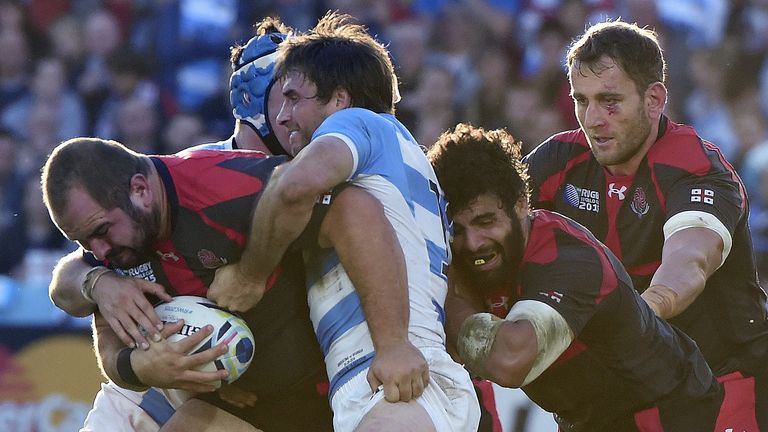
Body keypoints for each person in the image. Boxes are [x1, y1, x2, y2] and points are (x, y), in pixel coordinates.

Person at [46, 18, 407, 432]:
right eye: (283, 98)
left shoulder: (237, 183)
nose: (99, 250)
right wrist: (99, 289)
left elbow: (349, 209)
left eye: (295, 97)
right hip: (223, 397)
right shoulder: (125, 224)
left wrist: (252, 272)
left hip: (320, 389)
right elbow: (67, 285)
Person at [207, 12, 480, 432]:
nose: (282, 116)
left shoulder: (358, 123)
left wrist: (249, 275)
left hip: (392, 380)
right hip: (409, 378)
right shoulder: (403, 161)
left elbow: (293, 187)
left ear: (339, 99)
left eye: (294, 98)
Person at [429, 122, 763, 431]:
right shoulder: (464, 257)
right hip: (588, 419)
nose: (474, 243)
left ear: (520, 203)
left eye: (486, 222)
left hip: (668, 412)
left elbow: (510, 359)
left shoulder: (569, 260)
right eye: (458, 229)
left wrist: (453, 301)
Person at [523, 20, 768, 427]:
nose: (592, 119)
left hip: (722, 381)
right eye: (581, 101)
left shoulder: (692, 164)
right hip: (616, 394)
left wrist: (635, 311)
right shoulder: (557, 161)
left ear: (654, 99)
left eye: (610, 101)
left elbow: (689, 262)